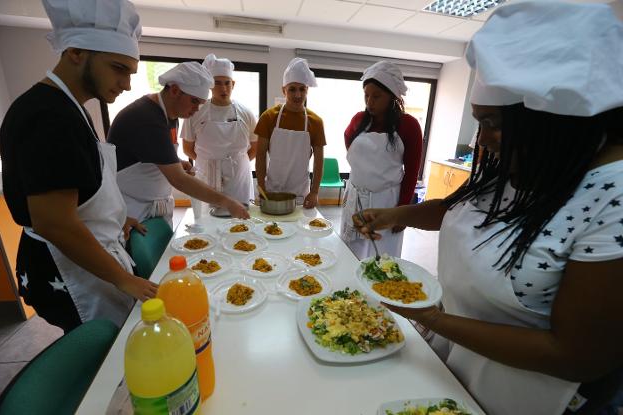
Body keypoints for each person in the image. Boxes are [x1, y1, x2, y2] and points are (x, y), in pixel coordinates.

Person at [353, 2, 623, 414]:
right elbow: (463, 209)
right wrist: (397, 214)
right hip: (458, 360)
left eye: (493, 124)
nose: (482, 140)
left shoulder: (611, 196)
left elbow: (577, 355)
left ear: (555, 124)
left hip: (529, 394)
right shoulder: (525, 160)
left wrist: (433, 318)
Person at [0, 0, 158, 332]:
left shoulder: (72, 109)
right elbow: (54, 222)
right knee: (102, 359)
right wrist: (124, 280)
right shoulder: (47, 115)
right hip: (67, 271)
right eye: (119, 68)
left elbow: (79, 186)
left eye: (130, 72)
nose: (127, 84)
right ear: (75, 52)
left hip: (90, 253)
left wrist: (113, 216)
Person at [108, 61, 249, 226]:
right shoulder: (146, 118)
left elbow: (151, 155)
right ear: (175, 90)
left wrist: (177, 163)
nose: (197, 109)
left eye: (201, 103)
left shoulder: (171, 115)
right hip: (132, 210)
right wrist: (227, 202)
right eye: (194, 101)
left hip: (150, 205)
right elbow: (179, 180)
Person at [340, 61, 422, 259]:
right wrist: (362, 169)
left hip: (387, 201)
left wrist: (401, 212)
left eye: (377, 96)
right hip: (355, 197)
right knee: (351, 254)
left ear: (392, 96)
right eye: (366, 95)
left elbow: (412, 172)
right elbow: (347, 138)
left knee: (382, 256)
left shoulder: (408, 125)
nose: (370, 102)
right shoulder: (359, 119)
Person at [180, 53, 257, 217]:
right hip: (207, 177)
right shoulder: (196, 112)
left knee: (240, 222)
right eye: (217, 83)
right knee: (207, 221)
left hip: (239, 178)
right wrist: (209, 163)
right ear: (209, 85)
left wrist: (236, 163)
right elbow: (187, 149)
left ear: (233, 84)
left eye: (227, 83)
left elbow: (255, 147)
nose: (223, 88)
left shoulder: (246, 113)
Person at [254, 58, 326, 209]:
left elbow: (319, 160)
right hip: (272, 190)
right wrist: (261, 187)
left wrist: (314, 192)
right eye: (292, 89)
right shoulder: (269, 117)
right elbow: (260, 155)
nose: (298, 95)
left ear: (307, 90)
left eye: (302, 89)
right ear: (284, 90)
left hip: (300, 193)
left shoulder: (316, 122)